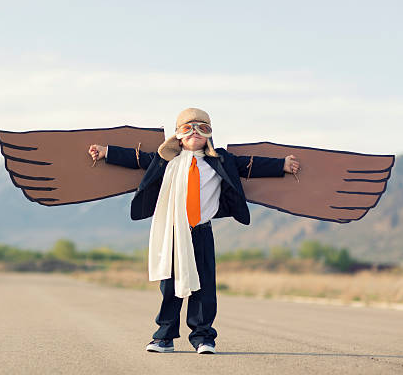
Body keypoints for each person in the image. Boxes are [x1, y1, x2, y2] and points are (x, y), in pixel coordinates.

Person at [88, 108, 300, 354]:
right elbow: (137, 159)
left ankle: (203, 337)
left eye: (202, 128)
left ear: (209, 134)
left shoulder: (220, 160)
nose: (195, 134)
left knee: (204, 286)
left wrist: (282, 164)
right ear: (178, 135)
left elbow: (250, 165)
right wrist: (106, 152)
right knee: (170, 285)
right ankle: (164, 337)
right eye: (188, 128)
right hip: (173, 231)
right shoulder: (165, 160)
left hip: (201, 230)